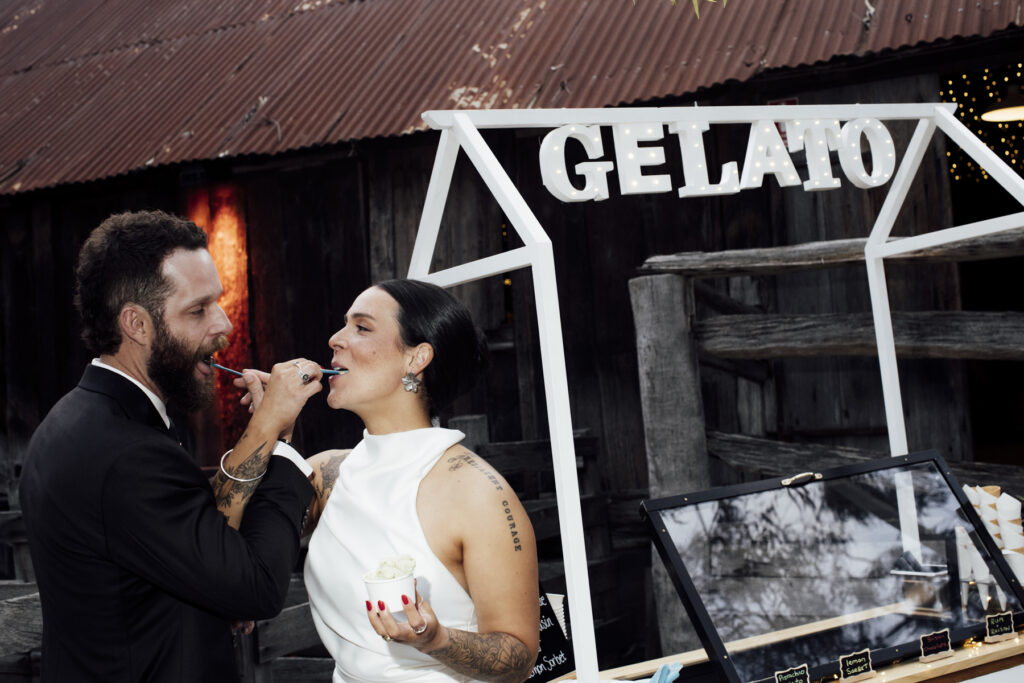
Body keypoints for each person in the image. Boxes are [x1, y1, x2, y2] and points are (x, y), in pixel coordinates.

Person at [19, 210, 322, 682]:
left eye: (216, 304)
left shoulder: (79, 419)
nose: (223, 326)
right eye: (198, 309)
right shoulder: (125, 452)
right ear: (137, 324)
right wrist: (276, 437)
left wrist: (217, 589)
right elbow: (258, 587)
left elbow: (178, 552)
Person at [248, 279, 540, 682]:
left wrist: (436, 640)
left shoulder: (477, 493)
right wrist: (268, 425)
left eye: (361, 327)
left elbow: (519, 656)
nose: (335, 339)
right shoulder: (327, 474)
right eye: (343, 325)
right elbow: (234, 553)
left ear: (416, 358)